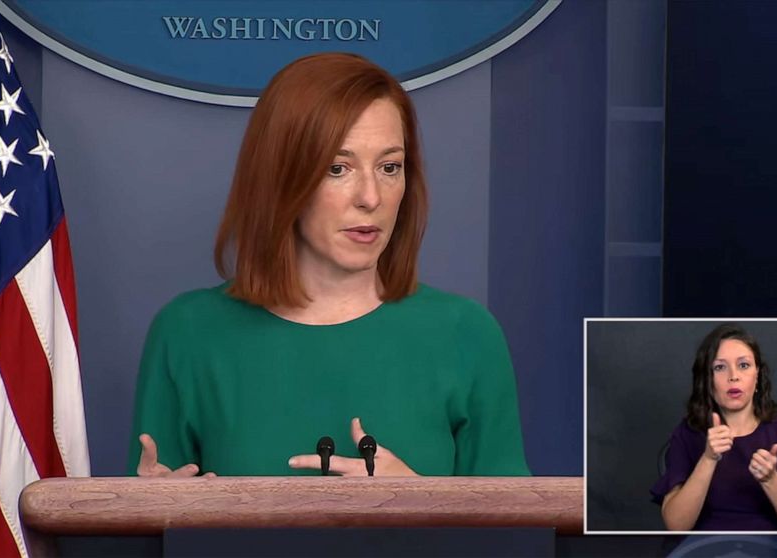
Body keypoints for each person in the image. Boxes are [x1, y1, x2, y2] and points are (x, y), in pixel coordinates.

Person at [127, 53, 529, 478]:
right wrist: (157, 521)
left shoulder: (467, 336)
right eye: (338, 168)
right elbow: (140, 534)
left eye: (390, 167)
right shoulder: (188, 333)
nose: (371, 197)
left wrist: (419, 506)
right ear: (282, 178)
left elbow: (515, 538)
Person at [650, 324, 777, 530]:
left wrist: (771, 480)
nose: (733, 376)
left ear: (757, 377)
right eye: (720, 367)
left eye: (743, 365)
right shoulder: (687, 433)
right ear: (707, 381)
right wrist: (708, 459)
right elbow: (676, 525)